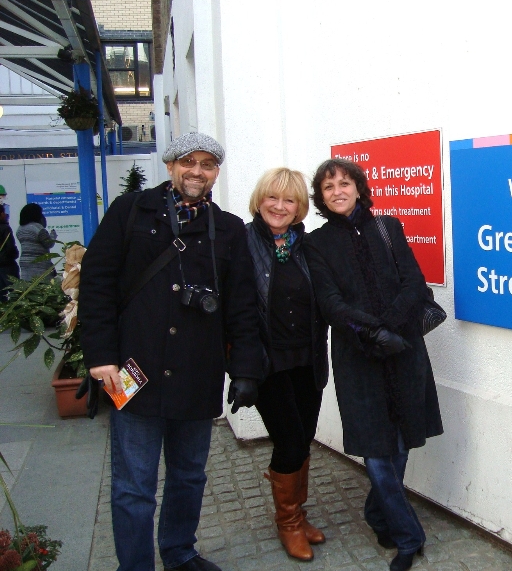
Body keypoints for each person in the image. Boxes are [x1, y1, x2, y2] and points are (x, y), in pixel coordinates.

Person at [79, 132, 263, 571]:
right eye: (188, 162)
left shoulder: (229, 229)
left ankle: (179, 553)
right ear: (170, 166)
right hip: (131, 369)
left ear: (216, 172)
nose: (196, 171)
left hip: (197, 373)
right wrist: (100, 356)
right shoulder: (130, 212)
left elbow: (242, 304)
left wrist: (245, 369)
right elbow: (97, 283)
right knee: (133, 485)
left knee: (188, 476)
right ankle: (136, 565)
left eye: (206, 164)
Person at [304, 159, 443, 571]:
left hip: (403, 348)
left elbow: (415, 283)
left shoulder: (390, 227)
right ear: (321, 197)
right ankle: (408, 536)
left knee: (399, 443)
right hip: (357, 354)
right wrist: (369, 332)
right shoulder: (316, 243)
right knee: (376, 450)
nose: (337, 191)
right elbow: (330, 303)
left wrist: (389, 328)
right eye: (328, 187)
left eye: (345, 183)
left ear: (359, 189)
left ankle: (379, 513)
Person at [245, 167, 329, 561]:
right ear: (260, 200)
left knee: (305, 437)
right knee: (290, 440)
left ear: (300, 208)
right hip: (268, 363)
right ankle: (288, 523)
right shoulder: (241, 242)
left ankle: (298, 512)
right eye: (272, 198)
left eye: (289, 200)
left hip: (308, 360)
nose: (279, 207)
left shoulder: (306, 246)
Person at [16, 203, 56, 280]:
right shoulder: (37, 228)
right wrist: (53, 234)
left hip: (25, 262)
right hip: (39, 263)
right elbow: (49, 243)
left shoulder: (20, 229)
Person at [0, 208, 19, 296]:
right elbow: (10, 247)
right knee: (16, 292)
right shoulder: (5, 228)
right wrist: (15, 255)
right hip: (7, 265)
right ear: (1, 214)